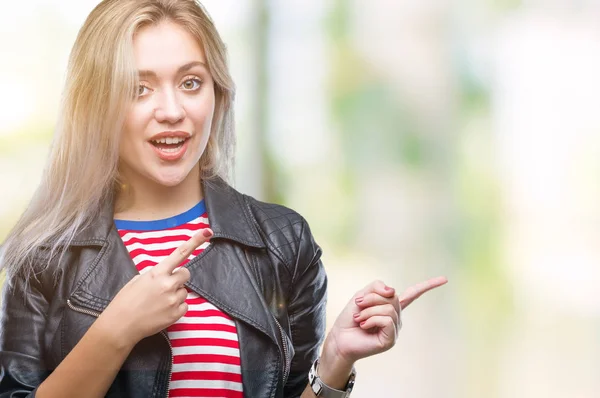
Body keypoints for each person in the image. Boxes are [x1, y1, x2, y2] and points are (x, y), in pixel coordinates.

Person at [0, 1, 447, 397]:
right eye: (140, 88)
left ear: (218, 93)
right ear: (97, 103)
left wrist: (334, 360)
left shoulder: (282, 242)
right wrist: (115, 330)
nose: (172, 110)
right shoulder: (44, 256)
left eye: (191, 82)